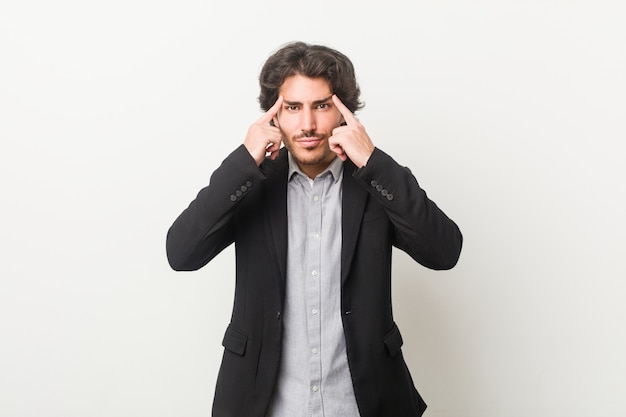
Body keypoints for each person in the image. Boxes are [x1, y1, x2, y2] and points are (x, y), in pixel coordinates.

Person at [166, 41, 463, 417]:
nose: (307, 124)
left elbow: (444, 251)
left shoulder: (374, 181)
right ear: (274, 115)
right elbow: (181, 253)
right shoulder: (251, 183)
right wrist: (243, 162)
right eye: (292, 107)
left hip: (365, 404)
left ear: (343, 112)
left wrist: (372, 161)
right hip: (263, 406)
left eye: (321, 106)